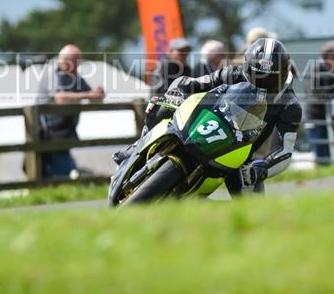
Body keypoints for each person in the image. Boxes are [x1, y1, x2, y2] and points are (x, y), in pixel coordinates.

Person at [114, 37, 302, 196]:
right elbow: (192, 83)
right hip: (208, 124)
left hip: (242, 155)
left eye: (268, 77)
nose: (260, 80)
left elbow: (286, 151)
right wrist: (177, 92)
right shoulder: (233, 73)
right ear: (247, 65)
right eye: (255, 73)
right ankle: (135, 148)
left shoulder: (290, 104)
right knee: (160, 106)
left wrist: (262, 169)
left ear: (283, 72)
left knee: (253, 210)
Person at [36, 44, 105, 178]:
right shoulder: (52, 71)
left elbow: (91, 97)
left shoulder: (73, 74)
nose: (77, 67)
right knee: (61, 174)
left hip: (63, 133)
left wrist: (97, 95)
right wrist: (89, 95)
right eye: (76, 63)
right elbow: (60, 98)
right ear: (66, 61)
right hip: (47, 134)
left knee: (65, 171)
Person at [304, 41, 334, 166]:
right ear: (327, 56)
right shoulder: (316, 69)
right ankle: (323, 174)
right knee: (321, 151)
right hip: (317, 116)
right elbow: (313, 94)